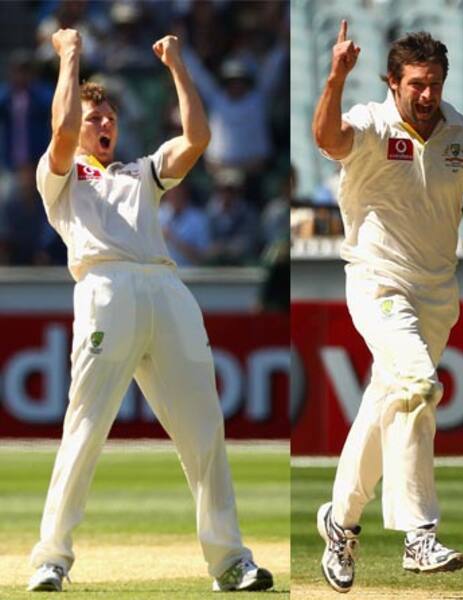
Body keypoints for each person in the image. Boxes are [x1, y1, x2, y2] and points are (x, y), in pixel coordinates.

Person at [27, 28, 272, 593]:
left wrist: (178, 65)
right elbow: (62, 130)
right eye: (95, 117)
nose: (104, 124)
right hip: (105, 288)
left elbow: (198, 137)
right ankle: (52, 559)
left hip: (166, 290)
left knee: (204, 430)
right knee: (85, 427)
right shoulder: (59, 174)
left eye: (110, 117)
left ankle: (230, 560)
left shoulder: (140, 171)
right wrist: (70, 56)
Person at [311, 21, 463, 594]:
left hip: (436, 293)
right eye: (416, 84)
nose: (427, 94)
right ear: (393, 82)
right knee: (417, 386)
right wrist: (335, 76)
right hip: (378, 282)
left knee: (389, 402)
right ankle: (419, 534)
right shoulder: (370, 122)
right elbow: (327, 139)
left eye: (434, 83)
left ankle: (340, 522)